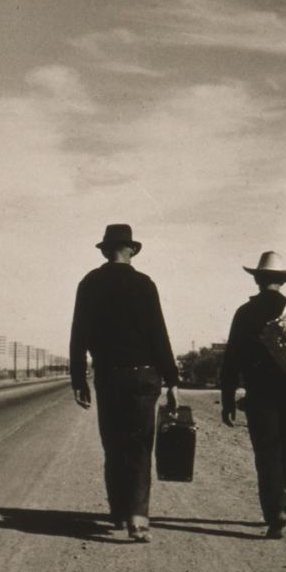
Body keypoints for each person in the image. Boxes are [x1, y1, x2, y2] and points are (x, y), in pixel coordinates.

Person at [69, 224, 179, 542]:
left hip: (109, 376)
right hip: (144, 375)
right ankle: (137, 518)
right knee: (140, 446)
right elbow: (159, 334)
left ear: (105, 251)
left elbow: (78, 335)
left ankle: (118, 511)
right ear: (131, 250)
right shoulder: (144, 284)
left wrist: (79, 379)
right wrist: (172, 378)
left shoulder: (89, 284)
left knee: (113, 444)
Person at [220, 251, 286, 540]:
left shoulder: (245, 314)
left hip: (259, 396)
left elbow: (231, 359)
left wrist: (228, 400)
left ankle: (276, 510)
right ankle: (283, 501)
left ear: (257, 279)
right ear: (282, 281)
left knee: (266, 454)